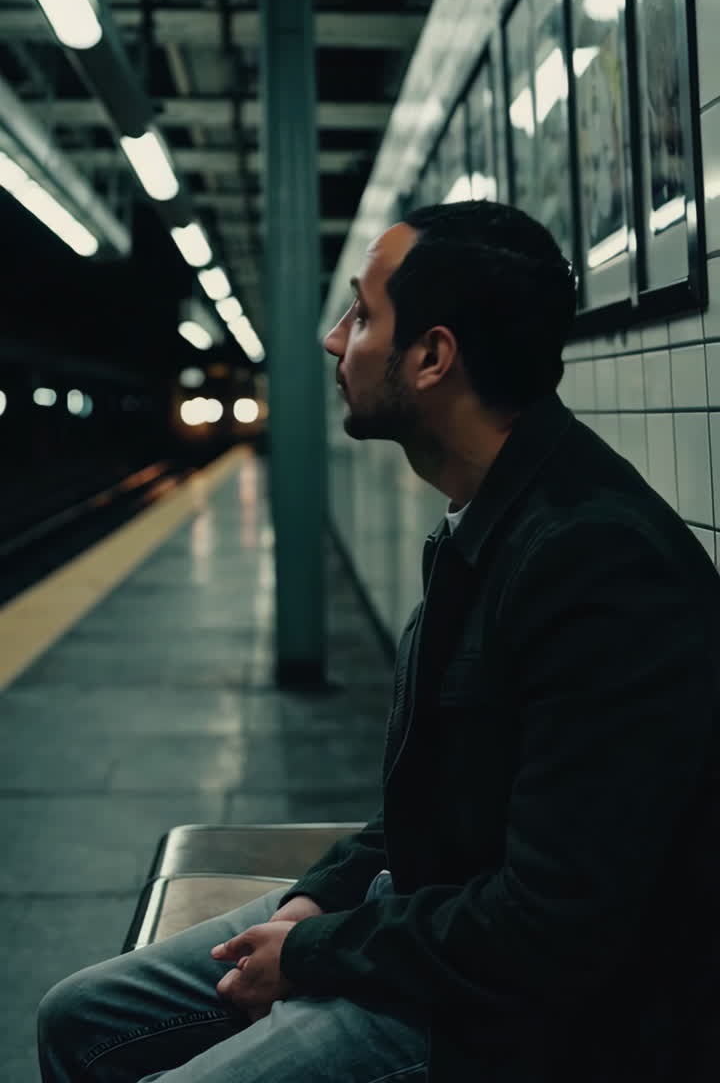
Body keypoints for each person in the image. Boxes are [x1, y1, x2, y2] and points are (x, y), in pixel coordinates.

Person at [38, 200, 720, 1082]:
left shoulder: (595, 565)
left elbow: (555, 926)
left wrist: (317, 951)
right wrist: (321, 897)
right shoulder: (496, 514)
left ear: (433, 358)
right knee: (78, 1017)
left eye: (361, 315)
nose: (333, 340)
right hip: (431, 921)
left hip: (521, 1020)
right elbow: (439, 803)